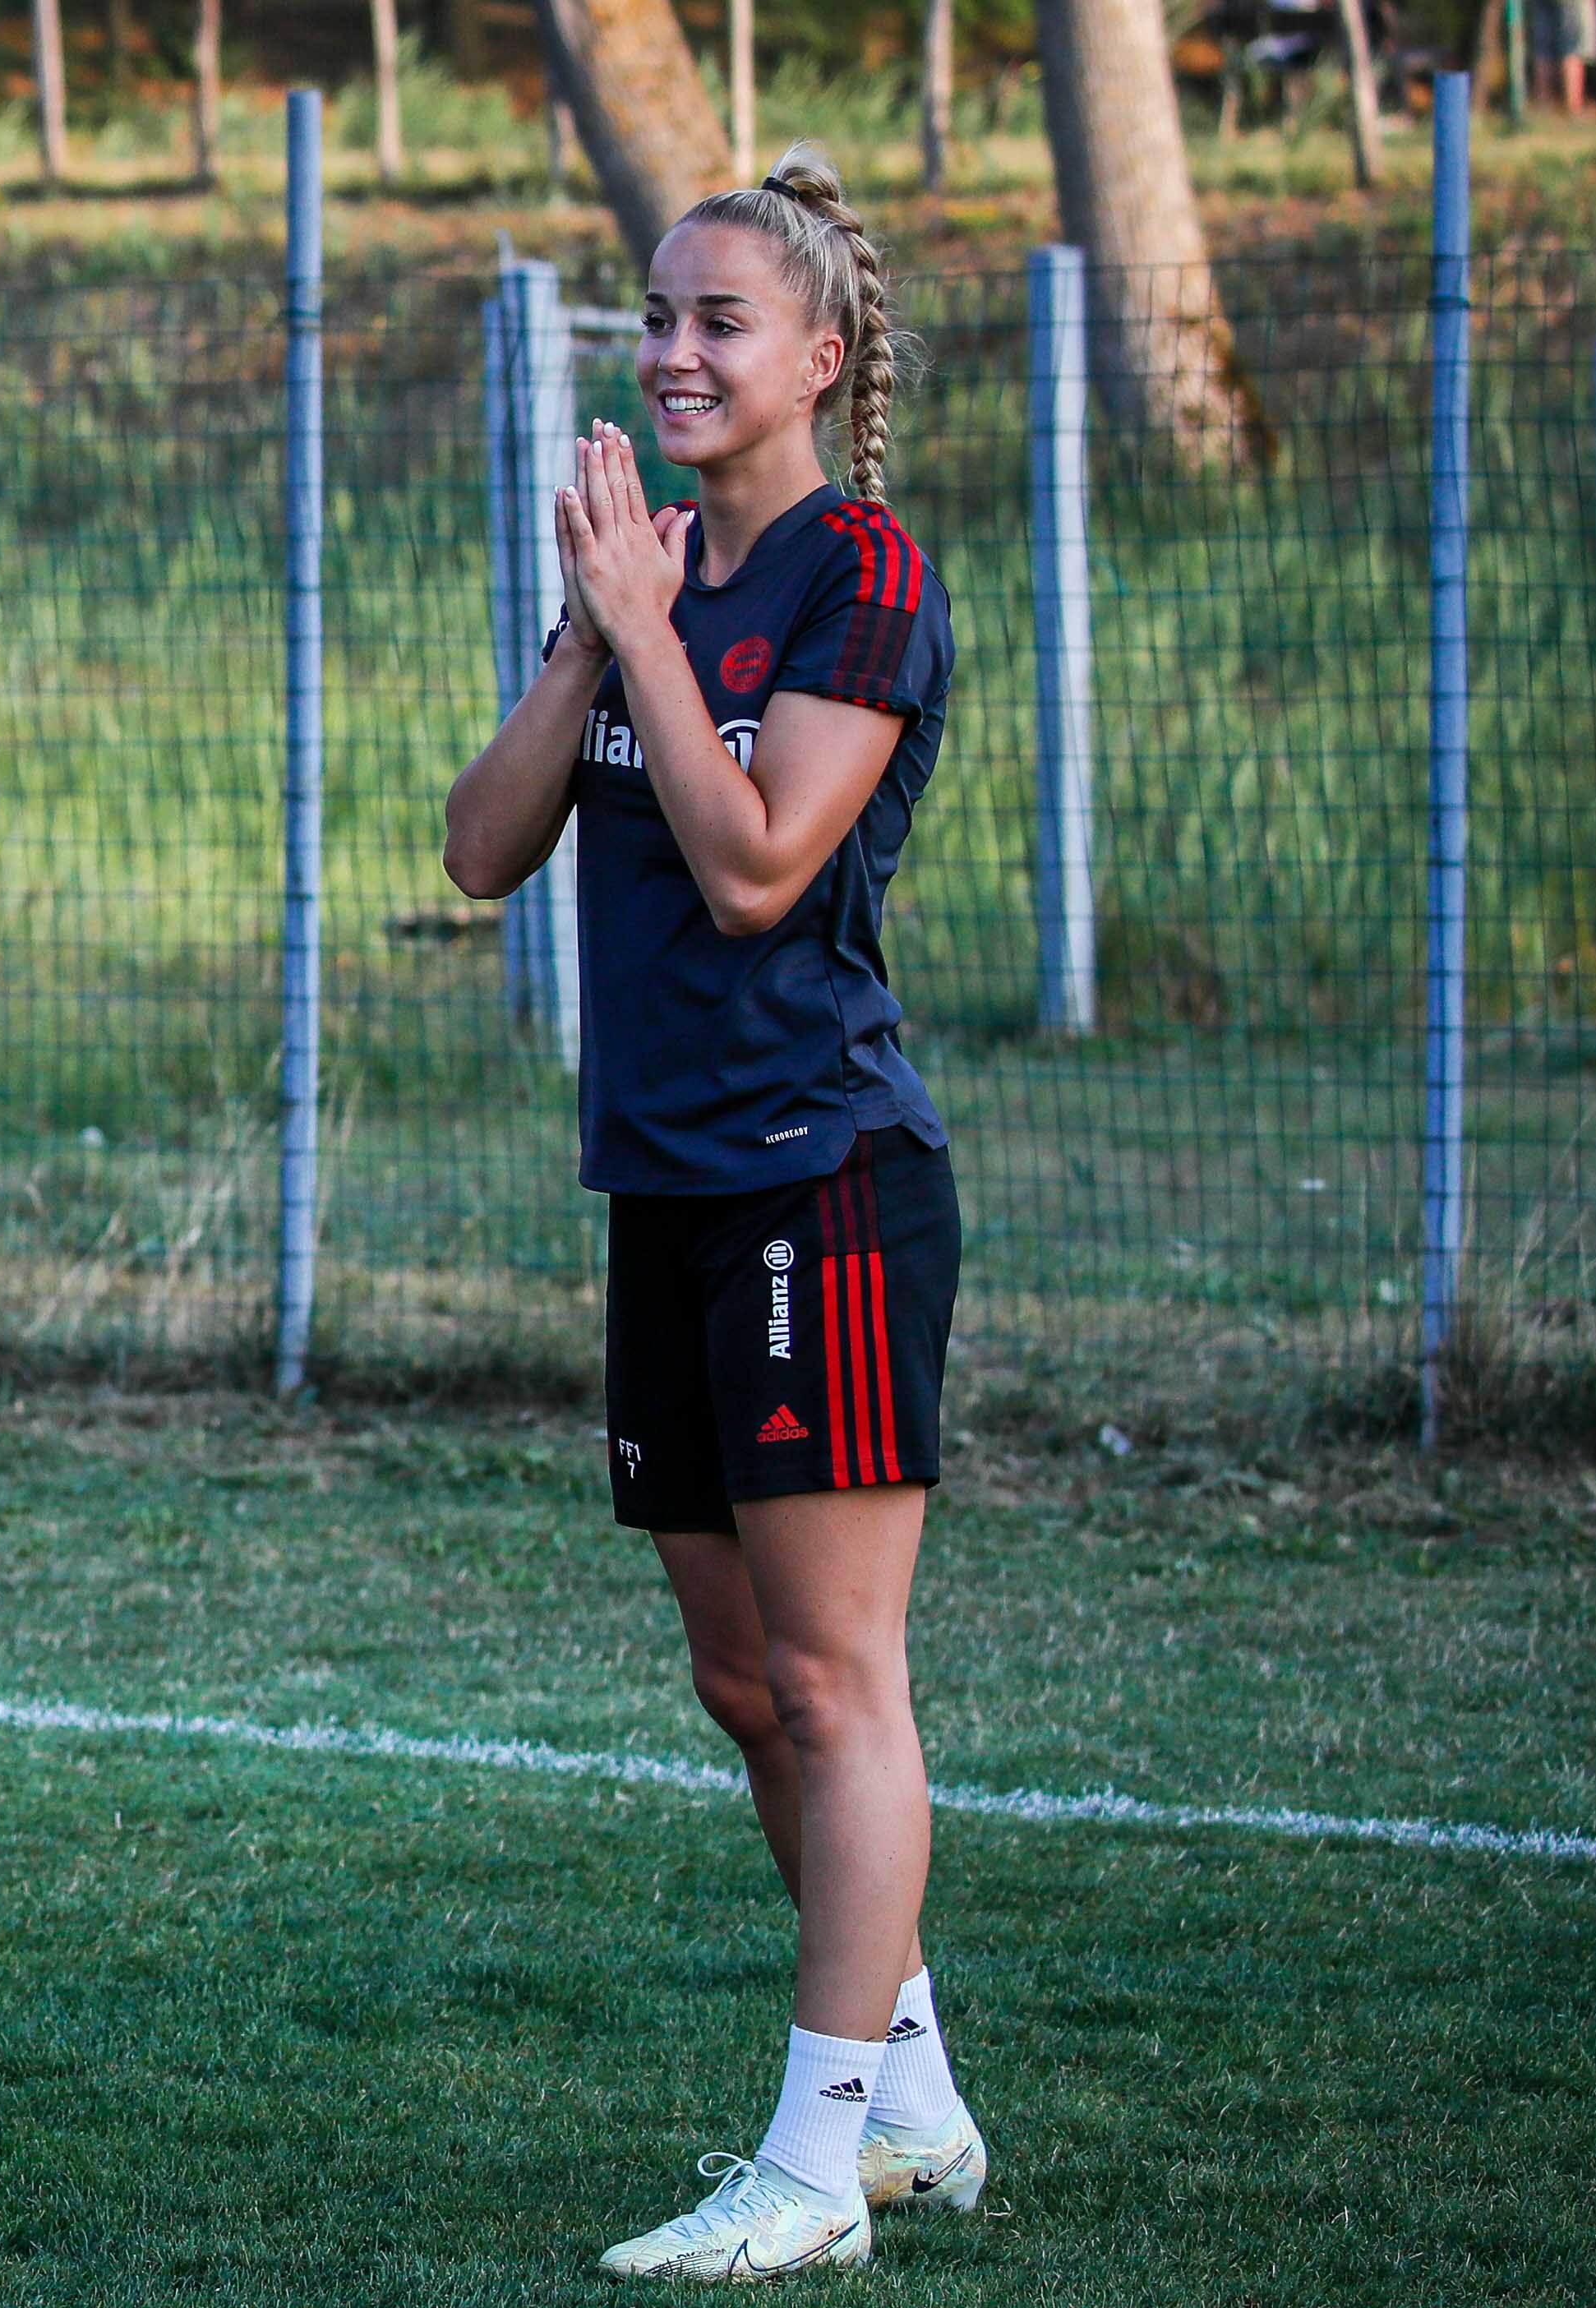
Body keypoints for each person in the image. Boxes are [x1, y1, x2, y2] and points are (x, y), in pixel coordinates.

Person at [440, 145, 984, 2283]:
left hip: (817, 1182)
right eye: (649, 316)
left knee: (836, 1682)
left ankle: (807, 2164)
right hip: (659, 1189)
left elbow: (758, 861)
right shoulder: (635, 576)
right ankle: (908, 2091)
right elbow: (481, 848)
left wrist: (653, 635)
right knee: (739, 1678)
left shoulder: (858, 568)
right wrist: (594, 630)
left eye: (714, 319)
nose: (667, 350)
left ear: (816, 357)